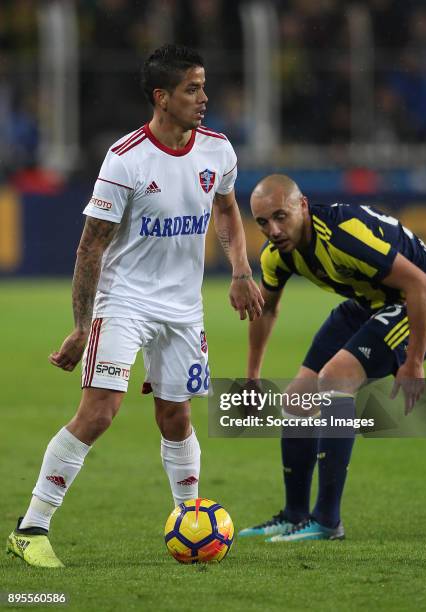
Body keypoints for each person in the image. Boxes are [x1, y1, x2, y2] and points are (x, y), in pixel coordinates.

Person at [6, 44, 263, 568]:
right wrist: (82, 326)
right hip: (124, 300)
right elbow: (91, 245)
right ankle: (31, 527)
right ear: (161, 97)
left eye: (204, 86)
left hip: (184, 309)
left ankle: (191, 519)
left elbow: (229, 210)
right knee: (100, 412)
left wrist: (240, 270)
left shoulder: (218, 150)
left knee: (176, 416)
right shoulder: (125, 160)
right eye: (192, 89)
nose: (203, 98)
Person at [239, 174, 426, 542]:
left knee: (336, 378)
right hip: (368, 303)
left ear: (302, 206)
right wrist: (252, 375)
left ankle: (326, 521)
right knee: (296, 400)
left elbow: (421, 284)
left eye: (280, 216)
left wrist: (414, 362)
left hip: (424, 303)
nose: (273, 230)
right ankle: (294, 514)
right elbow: (268, 309)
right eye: (262, 222)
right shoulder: (277, 256)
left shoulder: (343, 234)